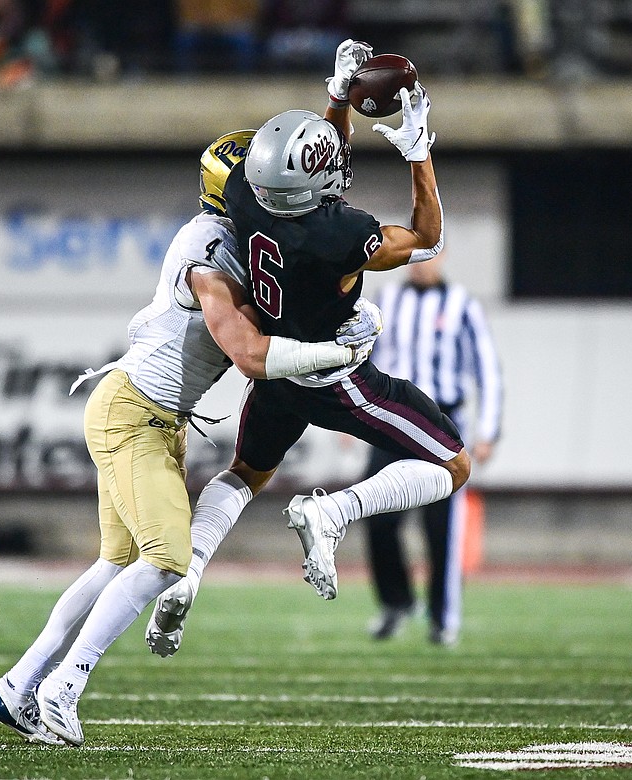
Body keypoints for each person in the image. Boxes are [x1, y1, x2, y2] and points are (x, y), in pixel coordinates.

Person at [0, 131, 382, 747]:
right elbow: (250, 351)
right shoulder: (210, 246)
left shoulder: (240, 238)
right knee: (166, 561)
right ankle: (64, 688)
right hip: (135, 413)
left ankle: (18, 685)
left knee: (115, 564)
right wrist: (336, 347)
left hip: (152, 417)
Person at [144, 39, 471, 656]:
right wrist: (418, 149)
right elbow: (427, 238)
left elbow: (321, 165)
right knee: (453, 466)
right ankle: (335, 513)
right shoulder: (339, 233)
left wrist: (338, 99)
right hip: (331, 375)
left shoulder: (244, 195)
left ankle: (185, 572)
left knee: (245, 473)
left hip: (274, 377)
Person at [361, 251, 502, 646]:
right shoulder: (386, 301)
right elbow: (363, 356)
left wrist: (487, 430)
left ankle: (443, 619)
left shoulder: (462, 305)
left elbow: (486, 369)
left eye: (430, 257)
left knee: (441, 527)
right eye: (417, 258)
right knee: (376, 514)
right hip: (390, 421)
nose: (422, 265)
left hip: (441, 424)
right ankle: (397, 602)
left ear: (442, 260)